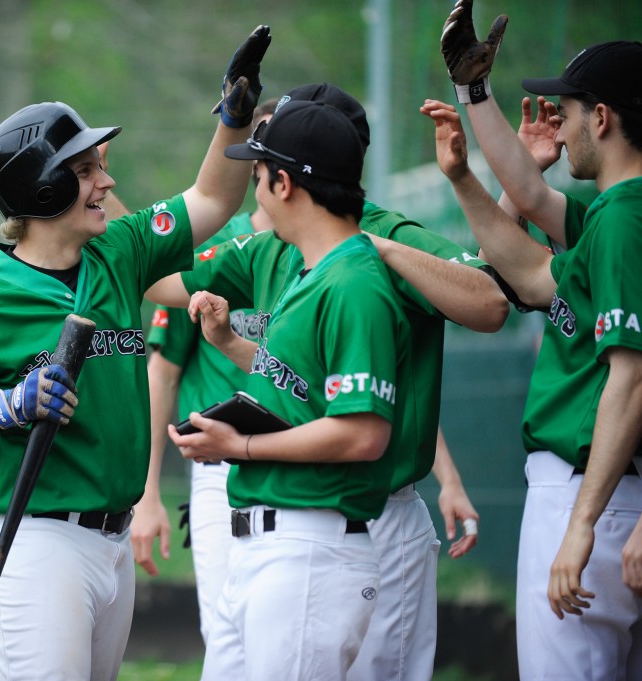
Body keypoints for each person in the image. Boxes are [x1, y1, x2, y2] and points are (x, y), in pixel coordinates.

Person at [0, 25, 270, 681]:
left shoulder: (119, 252)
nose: (107, 179)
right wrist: (5, 406)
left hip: (111, 540)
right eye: (87, 169)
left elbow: (212, 198)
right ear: (43, 190)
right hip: (36, 542)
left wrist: (233, 118)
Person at [146, 83, 507, 681]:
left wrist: (381, 249)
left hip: (366, 510)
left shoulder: (367, 259)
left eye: (263, 166)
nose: (256, 183)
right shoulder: (279, 249)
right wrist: (232, 345)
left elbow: (492, 306)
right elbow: (162, 283)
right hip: (285, 510)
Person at [164, 98, 417, 680]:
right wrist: (230, 344)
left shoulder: (354, 283)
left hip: (310, 546)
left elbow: (362, 434)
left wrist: (239, 446)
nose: (252, 192)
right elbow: (307, 395)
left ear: (284, 182)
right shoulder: (313, 270)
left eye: (256, 176)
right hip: (275, 540)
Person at [437, 7, 642, 676]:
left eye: (571, 106)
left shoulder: (622, 225)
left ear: (602, 118)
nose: (563, 119)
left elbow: (632, 379)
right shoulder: (613, 214)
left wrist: (582, 523)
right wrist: (473, 105)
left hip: (592, 494)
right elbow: (527, 247)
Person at [131, 96, 278, 643]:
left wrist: (447, 477)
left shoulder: (333, 252)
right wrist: (147, 495)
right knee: (229, 639)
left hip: (307, 468)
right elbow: (162, 373)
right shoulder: (218, 245)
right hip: (220, 471)